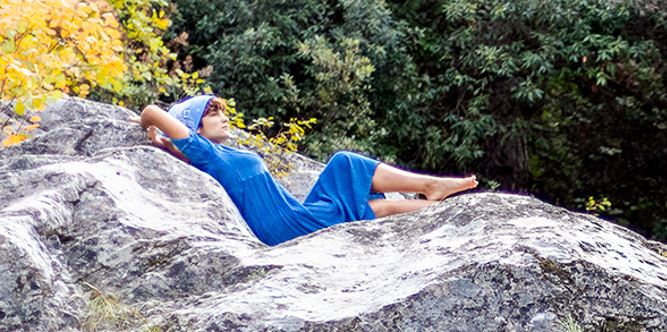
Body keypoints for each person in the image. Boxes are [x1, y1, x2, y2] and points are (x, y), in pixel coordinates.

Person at [138, 95, 478, 246]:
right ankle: (434, 188)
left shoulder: (214, 153)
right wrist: (155, 129)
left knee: (374, 205)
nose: (225, 117)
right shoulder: (205, 151)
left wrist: (168, 144)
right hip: (284, 227)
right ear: (193, 127)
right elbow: (152, 110)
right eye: (213, 113)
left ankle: (440, 206)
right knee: (345, 164)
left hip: (292, 216)